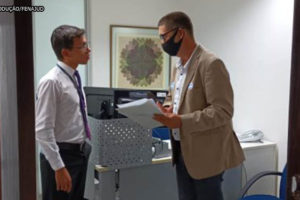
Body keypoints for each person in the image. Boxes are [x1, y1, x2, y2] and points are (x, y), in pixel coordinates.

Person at [153, 12, 245, 200]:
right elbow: (174, 97)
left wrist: (180, 121)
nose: (162, 42)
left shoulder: (210, 63)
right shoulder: (177, 67)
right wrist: (168, 109)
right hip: (182, 150)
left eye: (164, 36)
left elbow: (223, 111)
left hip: (206, 154)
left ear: (180, 33)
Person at [35, 25, 92, 200]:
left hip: (79, 154)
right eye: (82, 46)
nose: (88, 49)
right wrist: (58, 167)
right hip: (61, 157)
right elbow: (43, 130)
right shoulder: (51, 82)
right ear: (66, 53)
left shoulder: (74, 77)